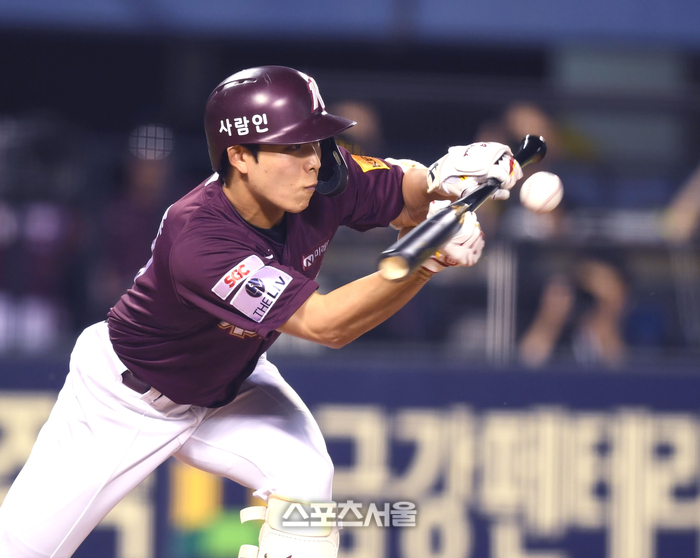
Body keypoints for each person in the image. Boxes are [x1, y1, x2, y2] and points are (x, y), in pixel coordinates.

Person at [0, 65, 521, 557]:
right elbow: (324, 324)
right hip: (127, 399)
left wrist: (444, 178)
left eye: (314, 140)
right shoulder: (201, 238)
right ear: (239, 156)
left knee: (305, 484)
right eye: (292, 145)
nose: (312, 158)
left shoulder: (322, 176)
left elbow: (405, 196)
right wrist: (426, 261)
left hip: (232, 379)